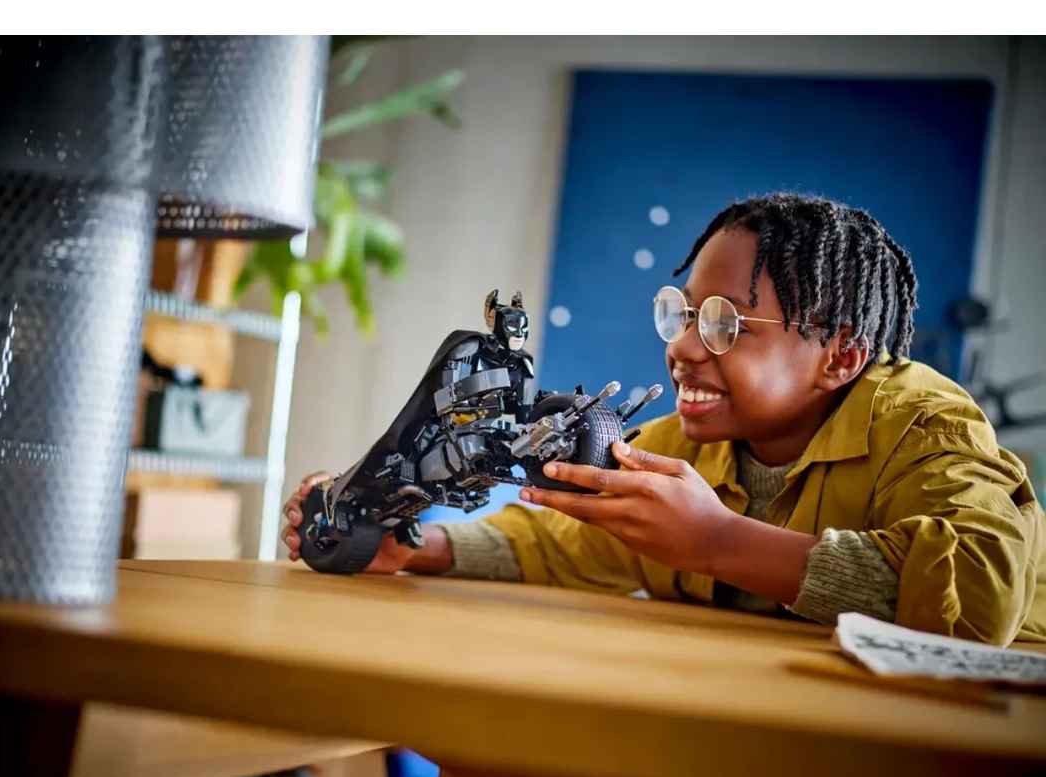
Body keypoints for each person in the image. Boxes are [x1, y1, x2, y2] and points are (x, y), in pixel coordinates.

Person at [282, 193, 1046, 648]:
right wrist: (415, 548)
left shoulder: (927, 426)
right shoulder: (688, 445)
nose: (681, 347)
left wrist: (719, 542)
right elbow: (568, 543)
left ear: (841, 356)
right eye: (683, 315)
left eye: (725, 325)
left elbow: (978, 602)